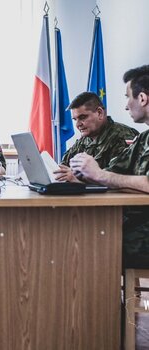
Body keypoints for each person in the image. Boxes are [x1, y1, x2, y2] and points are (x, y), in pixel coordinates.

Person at [69, 64, 149, 268]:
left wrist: (98, 175)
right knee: (73, 232)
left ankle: (98, 299)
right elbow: (111, 171)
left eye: (127, 97)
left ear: (142, 98)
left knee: (85, 242)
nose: (125, 106)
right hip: (133, 220)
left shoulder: (127, 135)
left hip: (141, 229)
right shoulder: (144, 139)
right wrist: (86, 174)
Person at [55, 91, 138, 183]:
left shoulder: (123, 136)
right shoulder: (84, 139)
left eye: (82, 117)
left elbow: (119, 179)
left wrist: (77, 179)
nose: (78, 125)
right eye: (75, 119)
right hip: (86, 196)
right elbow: (64, 166)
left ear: (99, 113)